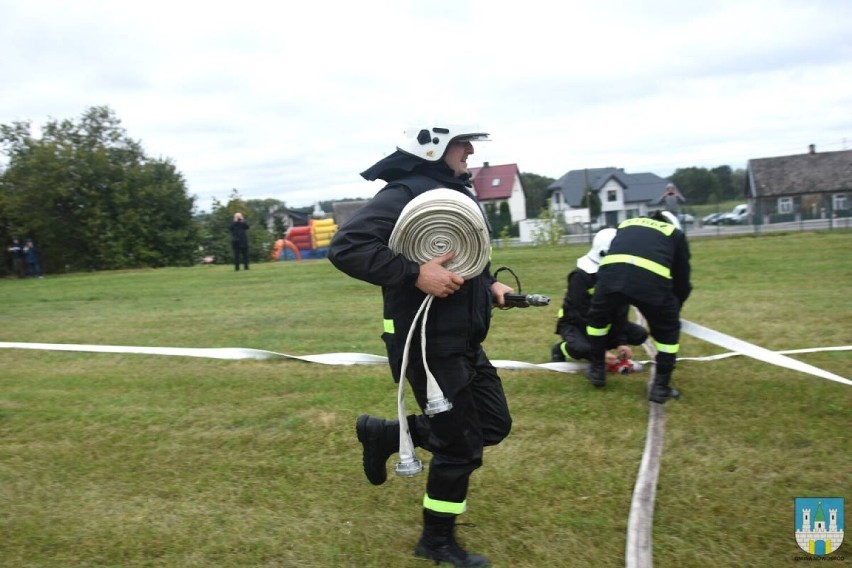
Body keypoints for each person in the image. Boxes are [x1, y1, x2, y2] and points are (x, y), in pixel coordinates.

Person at [328, 123, 513, 567]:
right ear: (432, 149)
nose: (469, 150)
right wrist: (415, 273)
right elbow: (347, 246)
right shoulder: (407, 191)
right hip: (428, 345)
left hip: (462, 340)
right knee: (461, 446)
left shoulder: (452, 190)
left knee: (492, 425)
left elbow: (456, 254)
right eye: (461, 144)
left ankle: (389, 434)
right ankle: (436, 542)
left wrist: (488, 285)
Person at [585, 211, 692, 403]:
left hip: (610, 279)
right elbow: (682, 280)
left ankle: (597, 371)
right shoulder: (673, 233)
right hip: (650, 284)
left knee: (597, 322)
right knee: (668, 334)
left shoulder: (626, 224)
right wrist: (674, 310)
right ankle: (660, 388)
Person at [551, 228, 648, 373]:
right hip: (575, 324)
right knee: (582, 348)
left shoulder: (618, 276)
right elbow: (581, 314)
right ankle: (561, 349)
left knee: (640, 334)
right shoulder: (579, 277)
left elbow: (621, 311)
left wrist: (621, 343)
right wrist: (598, 352)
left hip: (605, 323)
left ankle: (600, 347)